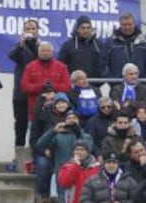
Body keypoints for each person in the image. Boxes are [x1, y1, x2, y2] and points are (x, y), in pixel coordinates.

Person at [36, 110, 93, 201]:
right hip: (63, 174)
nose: (72, 120)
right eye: (69, 118)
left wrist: (78, 132)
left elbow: (88, 147)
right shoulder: (58, 136)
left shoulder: (86, 136)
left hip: (82, 175)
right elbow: (40, 145)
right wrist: (53, 131)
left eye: (74, 118)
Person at [21, 41, 71, 121]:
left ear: (52, 52)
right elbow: (25, 87)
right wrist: (41, 86)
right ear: (38, 52)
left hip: (57, 112)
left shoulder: (62, 67)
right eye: (43, 51)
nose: (45, 53)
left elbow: (67, 86)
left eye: (48, 51)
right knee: (34, 132)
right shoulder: (30, 67)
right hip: (35, 109)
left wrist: (53, 87)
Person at [8, 19, 39, 148]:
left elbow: (40, 60)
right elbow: (11, 56)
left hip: (36, 93)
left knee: (36, 125)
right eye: (27, 29)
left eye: (33, 29)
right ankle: (19, 152)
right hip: (20, 93)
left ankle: (35, 154)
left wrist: (34, 45)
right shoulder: (19, 47)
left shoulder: (41, 47)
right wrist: (22, 44)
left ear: (37, 31)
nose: (30, 32)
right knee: (20, 124)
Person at [100, 12, 146, 78]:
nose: (127, 27)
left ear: (134, 24)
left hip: (141, 84)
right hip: (118, 85)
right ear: (120, 25)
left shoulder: (143, 42)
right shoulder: (110, 42)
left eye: (129, 24)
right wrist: (113, 81)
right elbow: (103, 65)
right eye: (124, 24)